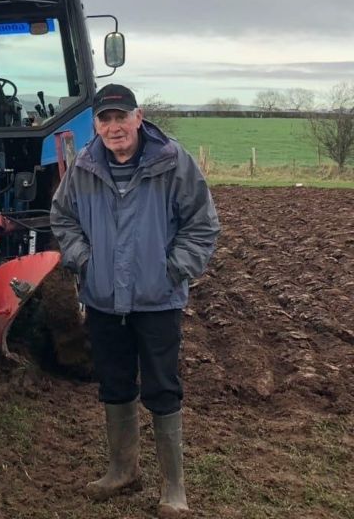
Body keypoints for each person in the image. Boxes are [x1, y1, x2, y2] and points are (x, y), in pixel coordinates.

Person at [50, 84, 220, 518]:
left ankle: (174, 488)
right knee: (114, 382)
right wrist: (85, 262)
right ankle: (122, 470)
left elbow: (202, 223)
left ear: (138, 117)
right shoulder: (84, 167)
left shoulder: (171, 162)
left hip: (157, 299)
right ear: (96, 125)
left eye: (120, 117)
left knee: (162, 387)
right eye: (104, 120)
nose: (113, 127)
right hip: (104, 299)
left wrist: (173, 270)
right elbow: (62, 218)